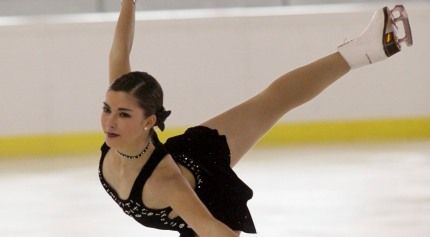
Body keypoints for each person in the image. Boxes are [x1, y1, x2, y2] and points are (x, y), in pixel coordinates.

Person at [98, 1, 413, 237]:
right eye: (107, 109)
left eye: (123, 114)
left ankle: (367, 49)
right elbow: (119, 52)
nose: (109, 122)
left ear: (148, 122)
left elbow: (211, 228)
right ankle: (364, 50)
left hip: (209, 198)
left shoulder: (164, 183)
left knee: (272, 102)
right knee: (271, 101)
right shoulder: (120, 135)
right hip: (189, 155)